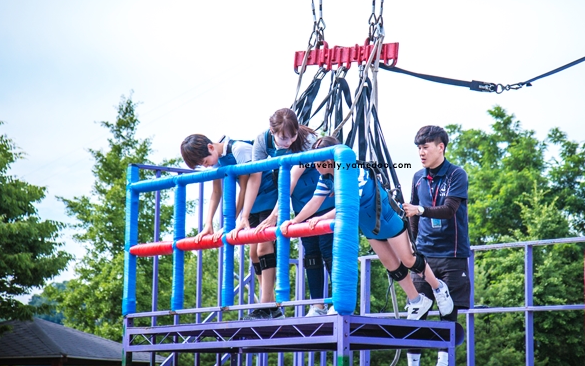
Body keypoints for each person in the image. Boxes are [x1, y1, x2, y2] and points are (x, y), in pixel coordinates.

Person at [279, 136, 453, 321]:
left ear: (329, 161)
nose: (314, 166)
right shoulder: (326, 177)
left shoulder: (354, 171)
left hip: (385, 218)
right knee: (391, 265)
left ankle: (438, 288)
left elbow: (350, 203)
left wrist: (321, 218)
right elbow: (314, 202)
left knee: (409, 259)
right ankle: (417, 300)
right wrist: (294, 221)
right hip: (368, 225)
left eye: (317, 162)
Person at [234, 108, 335, 319]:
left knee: (328, 250)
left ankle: (337, 302)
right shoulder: (262, 142)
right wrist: (244, 215)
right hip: (300, 202)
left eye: (292, 136)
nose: (288, 142)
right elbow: (255, 177)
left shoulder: (308, 141)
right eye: (283, 138)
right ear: (272, 132)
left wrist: (275, 215)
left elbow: (292, 178)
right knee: (311, 254)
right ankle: (317, 305)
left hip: (322, 196)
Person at [398, 125, 471, 366]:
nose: (421, 152)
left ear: (441, 147)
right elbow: (412, 216)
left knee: (447, 314)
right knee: (416, 311)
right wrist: (413, 246)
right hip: (425, 256)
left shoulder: (457, 174)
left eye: (425, 147)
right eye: (419, 147)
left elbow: (449, 210)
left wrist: (420, 210)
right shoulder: (418, 177)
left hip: (453, 255)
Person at [180, 134, 275, 292]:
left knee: (263, 248)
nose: (207, 167)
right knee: (253, 254)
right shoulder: (217, 160)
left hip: (268, 195)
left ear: (211, 147)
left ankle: (267, 301)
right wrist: (208, 224)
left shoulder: (239, 149)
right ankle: (268, 300)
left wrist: (230, 223)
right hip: (252, 204)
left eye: (205, 162)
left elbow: (244, 187)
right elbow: (216, 192)